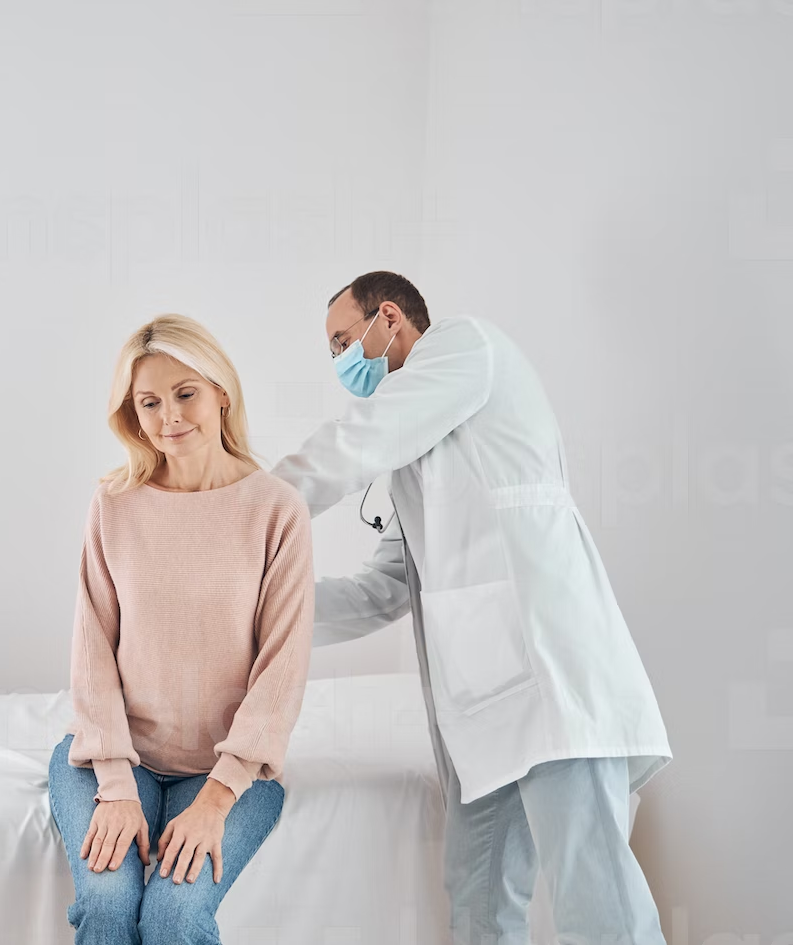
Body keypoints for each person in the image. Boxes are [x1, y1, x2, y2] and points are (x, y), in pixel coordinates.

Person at [270, 270, 673, 944]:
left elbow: (357, 440)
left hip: (549, 685)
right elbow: (386, 589)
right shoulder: (415, 447)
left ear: (390, 319)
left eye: (345, 340)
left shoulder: (465, 350)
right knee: (478, 903)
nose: (342, 360)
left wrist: (241, 517)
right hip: (481, 720)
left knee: (597, 905)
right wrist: (263, 609)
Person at [47, 313, 315, 945]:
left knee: (173, 916)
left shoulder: (277, 510)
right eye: (149, 402)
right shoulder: (115, 504)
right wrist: (114, 786)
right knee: (110, 907)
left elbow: (281, 670)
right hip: (109, 760)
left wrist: (217, 800)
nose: (168, 416)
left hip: (227, 772)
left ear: (221, 391)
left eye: (185, 393)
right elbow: (92, 652)